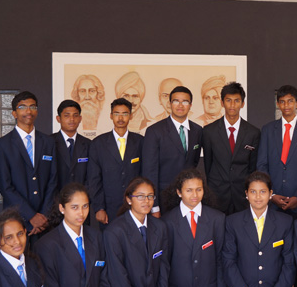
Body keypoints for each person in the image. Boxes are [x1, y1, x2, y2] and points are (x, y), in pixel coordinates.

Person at [222, 171, 295, 287]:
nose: (258, 196)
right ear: (246, 194)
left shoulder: (285, 222)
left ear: (271, 194)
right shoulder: (233, 222)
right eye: (253, 192)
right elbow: (229, 262)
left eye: (263, 191)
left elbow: (290, 264)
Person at [161, 169, 227, 287]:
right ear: (179, 192)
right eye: (189, 190)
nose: (194, 195)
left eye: (199, 189)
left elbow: (221, 260)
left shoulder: (217, 219)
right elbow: (164, 266)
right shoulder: (167, 222)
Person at [0, 91, 58, 242]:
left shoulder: (48, 142)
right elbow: (5, 186)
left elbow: (53, 180)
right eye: (23, 107)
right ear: (14, 113)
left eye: (33, 107)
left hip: (44, 221)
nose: (29, 111)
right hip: (16, 218)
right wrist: (31, 216)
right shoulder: (3, 144)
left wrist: (43, 216)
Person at [257, 85, 297, 218]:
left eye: (290, 101)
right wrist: (271, 194)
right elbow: (262, 165)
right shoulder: (268, 130)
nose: (286, 105)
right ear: (277, 104)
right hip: (273, 203)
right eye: (282, 102)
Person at [202, 81, 261, 215]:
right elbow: (208, 165)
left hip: (242, 196)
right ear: (222, 103)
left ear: (242, 103)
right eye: (228, 100)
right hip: (217, 195)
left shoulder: (253, 133)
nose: (232, 105)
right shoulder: (209, 131)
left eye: (236, 101)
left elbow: (252, 167)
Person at [142, 85, 203, 215]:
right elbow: (149, 171)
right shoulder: (155, 131)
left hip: (189, 199)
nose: (180, 105)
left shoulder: (197, 130)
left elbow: (194, 162)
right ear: (170, 104)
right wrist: (154, 206)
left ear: (190, 105)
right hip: (164, 199)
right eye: (176, 101)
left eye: (185, 101)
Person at [88, 98, 144, 226]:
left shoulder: (140, 142)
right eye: (117, 113)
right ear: (111, 116)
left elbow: (144, 175)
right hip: (109, 208)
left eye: (125, 114)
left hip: (135, 205)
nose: (120, 118)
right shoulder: (98, 143)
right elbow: (94, 179)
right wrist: (99, 208)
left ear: (130, 116)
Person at [52, 100, 93, 210]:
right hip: (55, 204)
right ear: (58, 119)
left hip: (81, 205)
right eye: (67, 115)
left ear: (80, 118)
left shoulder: (89, 144)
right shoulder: (49, 143)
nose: (71, 119)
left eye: (75, 115)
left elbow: (91, 177)